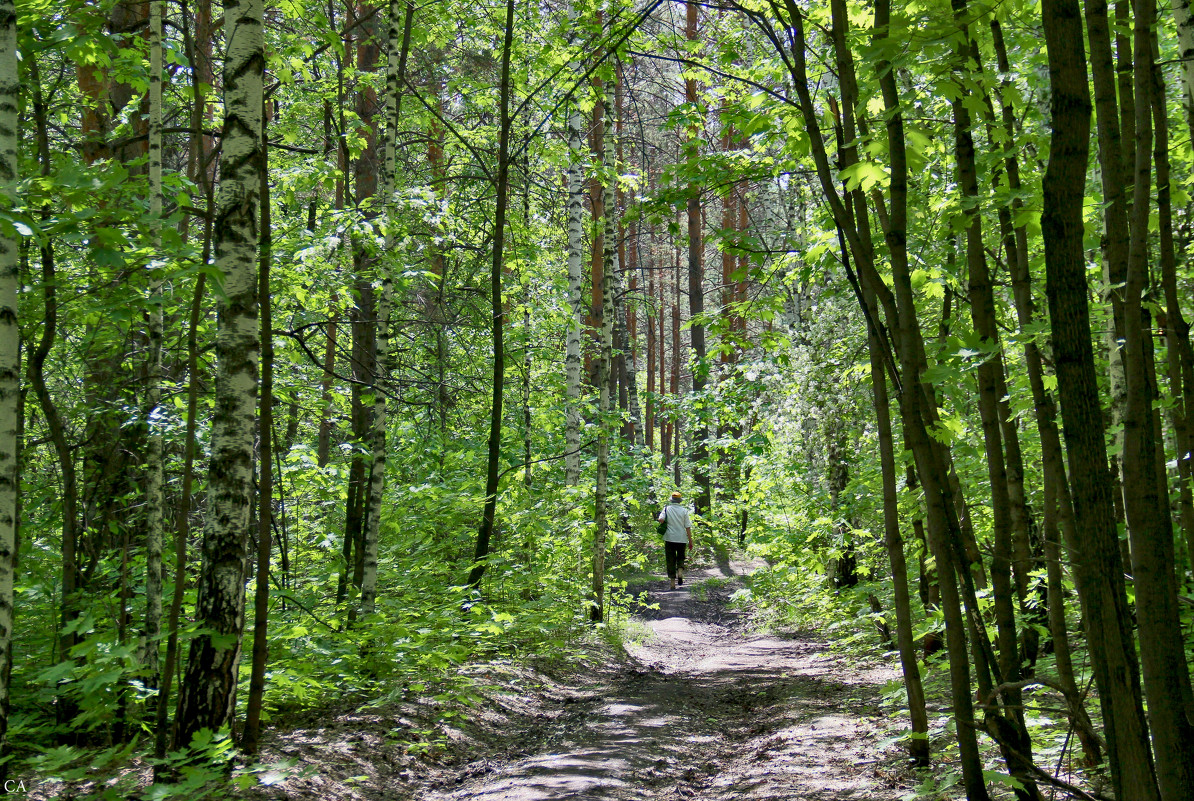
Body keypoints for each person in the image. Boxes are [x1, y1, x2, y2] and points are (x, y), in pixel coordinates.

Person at [657, 491, 693, 590]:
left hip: (669, 538)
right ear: (680, 501)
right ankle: (680, 572)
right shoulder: (684, 511)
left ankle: (672, 582)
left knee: (670, 559)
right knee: (681, 557)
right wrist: (690, 541)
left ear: (671, 500)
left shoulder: (666, 509)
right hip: (681, 538)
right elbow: (688, 527)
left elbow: (661, 519)